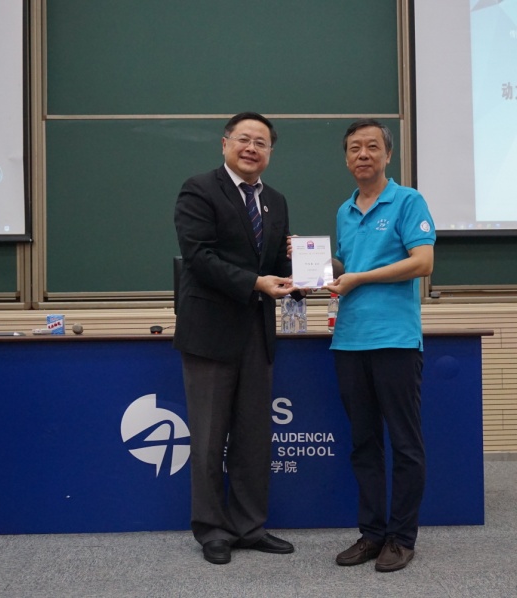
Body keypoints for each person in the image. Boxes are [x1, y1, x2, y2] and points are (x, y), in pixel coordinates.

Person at [173, 112, 297, 565]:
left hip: (257, 334)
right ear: (225, 144)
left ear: (270, 153)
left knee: (253, 438)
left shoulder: (275, 201)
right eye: (244, 139)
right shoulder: (199, 189)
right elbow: (198, 256)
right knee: (208, 440)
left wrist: (299, 266)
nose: (251, 148)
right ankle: (212, 530)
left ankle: (249, 526)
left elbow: (277, 268)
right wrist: (255, 283)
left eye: (261, 142)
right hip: (210, 333)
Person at [324, 119, 436, 573]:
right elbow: (346, 266)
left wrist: (359, 278)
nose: (363, 154)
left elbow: (423, 262)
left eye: (372, 147)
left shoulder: (408, 201)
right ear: (346, 158)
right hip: (349, 340)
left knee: (405, 444)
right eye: (354, 148)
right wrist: (314, 263)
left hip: (395, 340)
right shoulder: (344, 210)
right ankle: (371, 534)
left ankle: (401, 538)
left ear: (388, 155)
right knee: (364, 444)